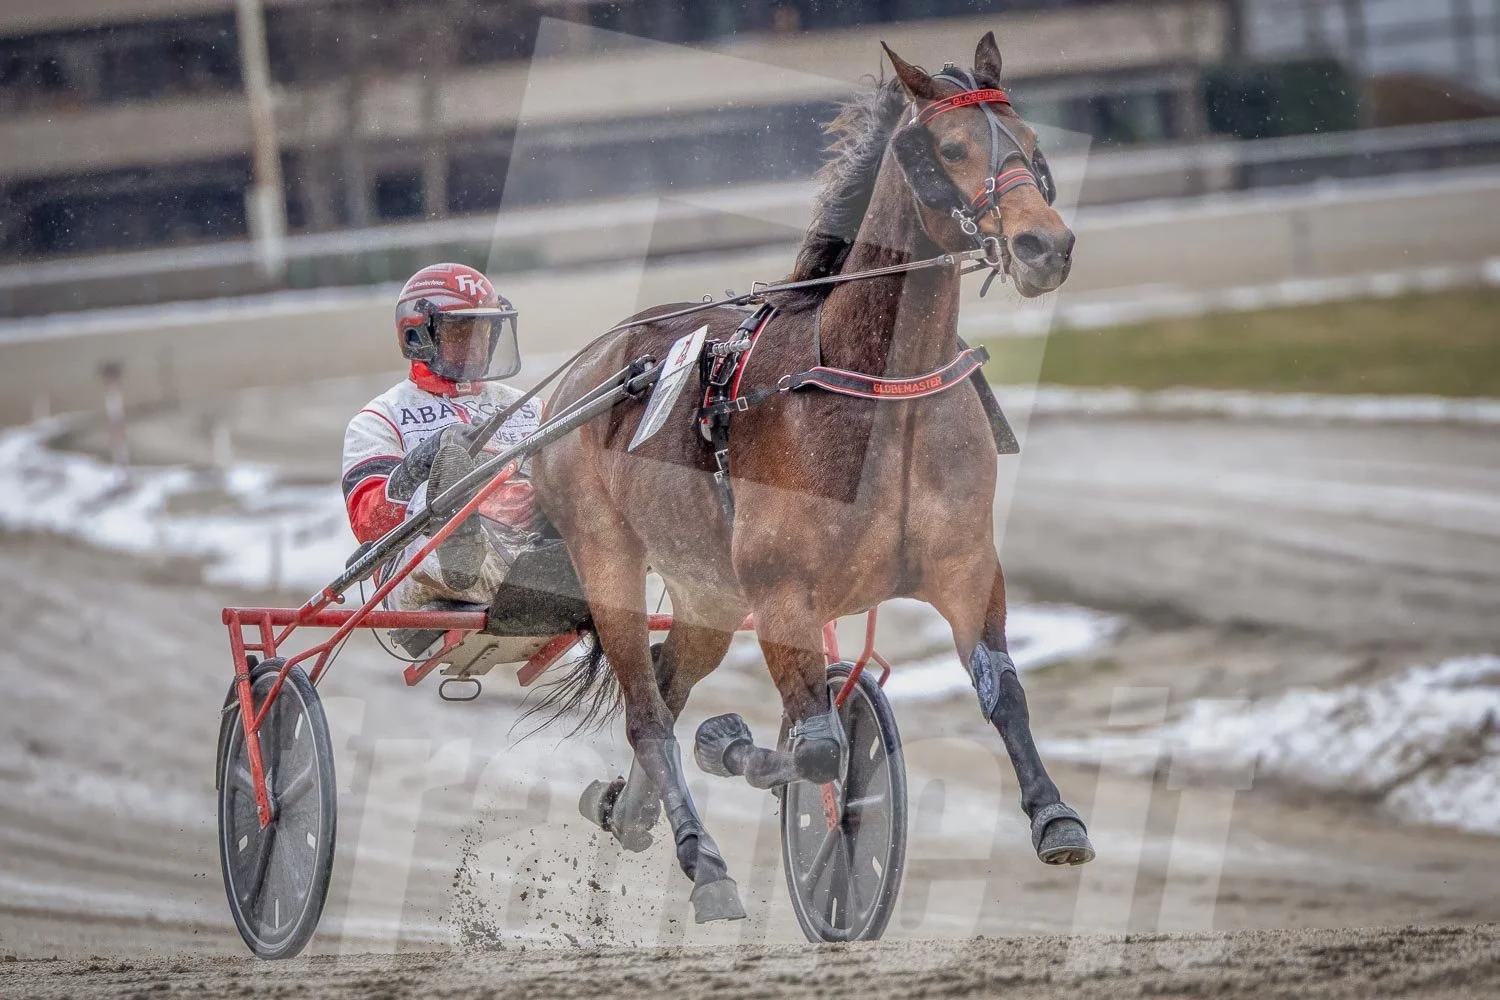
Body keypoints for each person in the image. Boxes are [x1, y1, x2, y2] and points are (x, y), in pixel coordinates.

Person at [340, 262, 543, 615]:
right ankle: (462, 549)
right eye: (461, 332)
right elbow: (370, 523)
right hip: (421, 575)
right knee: (442, 478)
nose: (475, 346)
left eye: (483, 332)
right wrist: (425, 460)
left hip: (531, 553)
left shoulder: (529, 406)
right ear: (418, 336)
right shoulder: (379, 418)